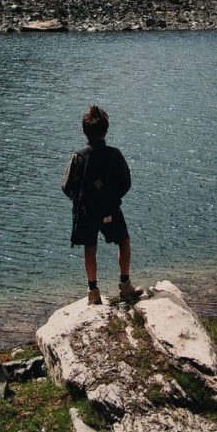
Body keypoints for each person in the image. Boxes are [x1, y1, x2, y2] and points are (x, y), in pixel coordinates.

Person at [61, 105, 140, 305]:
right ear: (106, 130)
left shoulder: (78, 157)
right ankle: (125, 285)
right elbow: (126, 183)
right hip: (110, 209)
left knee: (90, 248)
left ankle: (93, 291)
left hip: (86, 211)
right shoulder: (115, 154)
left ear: (84, 131)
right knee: (123, 241)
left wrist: (78, 199)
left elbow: (66, 185)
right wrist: (113, 198)